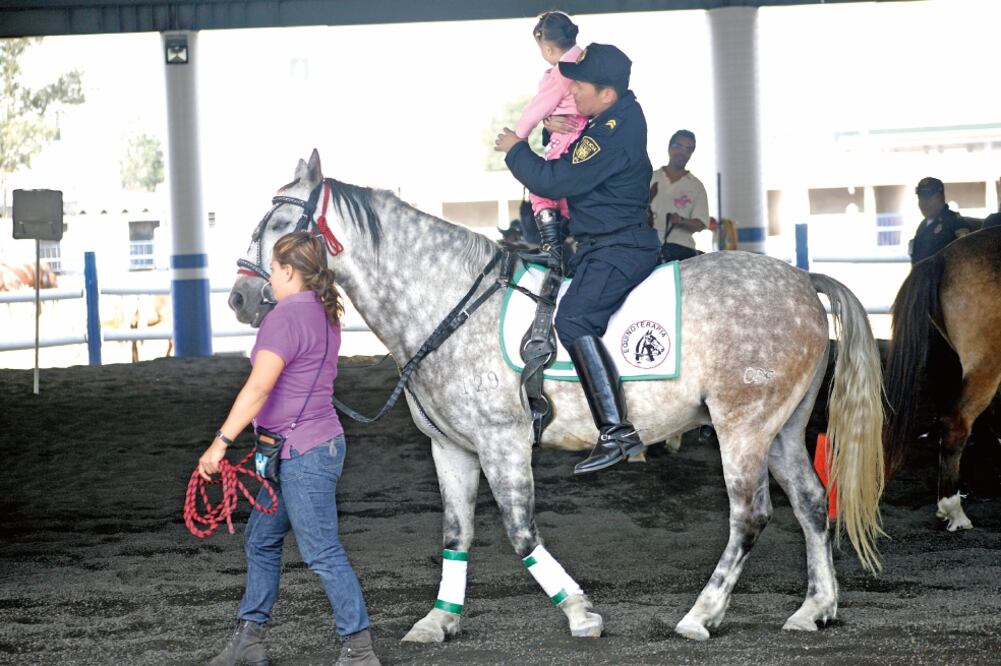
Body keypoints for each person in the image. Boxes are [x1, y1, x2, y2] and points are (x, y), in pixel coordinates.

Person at [199, 232, 379, 666]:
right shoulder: (324, 312)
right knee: (262, 538)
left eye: (274, 270)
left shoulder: (282, 318)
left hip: (300, 454)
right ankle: (249, 639)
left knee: (322, 551)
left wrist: (220, 442)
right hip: (305, 449)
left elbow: (259, 387)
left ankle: (359, 649)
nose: (269, 280)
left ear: (287, 271)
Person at [495, 43, 660, 475]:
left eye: (580, 85)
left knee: (572, 320)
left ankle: (615, 431)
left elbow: (557, 177)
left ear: (606, 94)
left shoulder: (610, 130)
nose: (574, 91)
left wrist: (516, 148)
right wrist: (556, 126)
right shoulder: (611, 119)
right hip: (601, 244)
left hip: (618, 247)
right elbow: (572, 153)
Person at [514, 10, 588, 270]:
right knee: (567, 198)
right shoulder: (587, 60)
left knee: (542, 188)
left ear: (547, 48)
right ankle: (568, 244)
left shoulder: (559, 73)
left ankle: (553, 250)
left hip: (565, 136)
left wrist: (517, 137)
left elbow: (536, 108)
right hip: (585, 135)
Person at [648, 129, 711, 261]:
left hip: (681, 249)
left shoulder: (696, 186)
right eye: (678, 146)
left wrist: (682, 221)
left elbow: (701, 223)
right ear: (669, 147)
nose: (682, 152)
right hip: (647, 246)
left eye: (688, 149)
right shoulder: (649, 178)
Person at [908, 176, 976, 264]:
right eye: (920, 198)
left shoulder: (956, 223)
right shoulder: (922, 226)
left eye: (928, 198)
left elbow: (967, 258)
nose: (924, 203)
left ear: (940, 197)